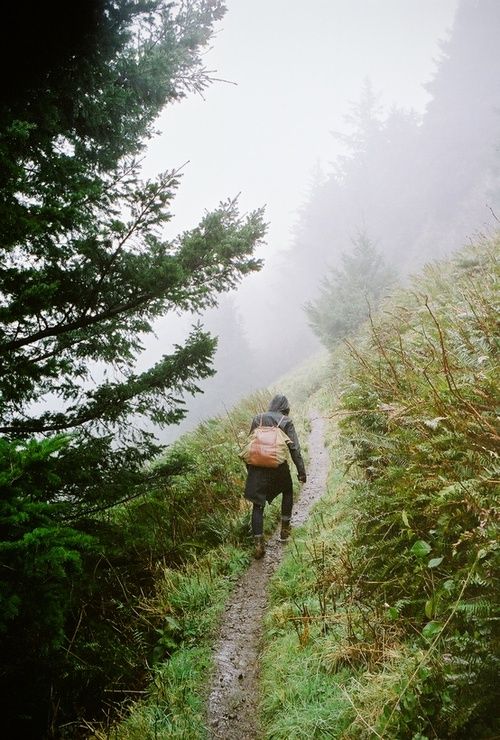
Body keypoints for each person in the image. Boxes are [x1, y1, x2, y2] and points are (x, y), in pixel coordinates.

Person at [243, 394, 307, 559]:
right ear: (285, 407)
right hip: (278, 467)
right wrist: (301, 472)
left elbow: (251, 444)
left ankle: (258, 544)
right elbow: (295, 449)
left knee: (257, 505)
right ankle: (284, 531)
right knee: (287, 491)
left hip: (257, 468)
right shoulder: (286, 421)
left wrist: (250, 468)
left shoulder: (258, 418)